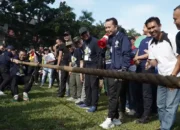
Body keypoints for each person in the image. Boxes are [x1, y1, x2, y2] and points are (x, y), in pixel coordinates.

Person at [145, 17, 180, 130]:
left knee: (170, 105)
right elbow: (154, 61)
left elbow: (179, 59)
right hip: (161, 77)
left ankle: (165, 128)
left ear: (160, 26)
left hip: (174, 77)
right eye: (149, 28)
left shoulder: (171, 37)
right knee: (160, 105)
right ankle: (163, 125)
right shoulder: (151, 42)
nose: (151, 30)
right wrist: (149, 63)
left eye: (154, 27)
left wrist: (173, 77)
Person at [100, 18, 131, 129]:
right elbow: (103, 53)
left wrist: (123, 69)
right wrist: (103, 43)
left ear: (115, 26)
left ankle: (109, 119)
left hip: (118, 72)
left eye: (109, 27)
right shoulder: (109, 38)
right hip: (110, 71)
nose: (107, 29)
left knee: (113, 96)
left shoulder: (123, 37)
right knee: (111, 95)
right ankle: (116, 118)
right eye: (106, 27)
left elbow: (126, 54)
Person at [133, 25, 157, 123]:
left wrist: (138, 58)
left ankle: (146, 115)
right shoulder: (142, 40)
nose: (142, 29)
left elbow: (150, 53)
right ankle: (140, 111)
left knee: (147, 92)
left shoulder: (153, 40)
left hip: (148, 69)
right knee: (138, 91)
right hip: (139, 68)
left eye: (144, 27)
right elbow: (138, 53)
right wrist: (135, 59)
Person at [78, 27, 103, 113]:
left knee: (94, 87)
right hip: (87, 67)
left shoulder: (96, 41)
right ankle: (87, 102)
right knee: (87, 86)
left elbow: (100, 56)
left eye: (86, 33)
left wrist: (98, 69)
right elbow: (85, 56)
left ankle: (94, 105)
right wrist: (83, 68)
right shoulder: (84, 43)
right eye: (83, 35)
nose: (85, 35)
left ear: (88, 32)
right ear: (81, 36)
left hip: (94, 67)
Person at [66, 36, 83, 103]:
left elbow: (81, 61)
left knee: (78, 84)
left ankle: (79, 97)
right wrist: (70, 70)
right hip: (72, 70)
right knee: (72, 83)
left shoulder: (78, 51)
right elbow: (70, 61)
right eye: (68, 47)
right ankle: (73, 96)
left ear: (73, 45)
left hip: (78, 69)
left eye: (70, 46)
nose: (69, 48)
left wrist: (81, 72)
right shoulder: (70, 53)